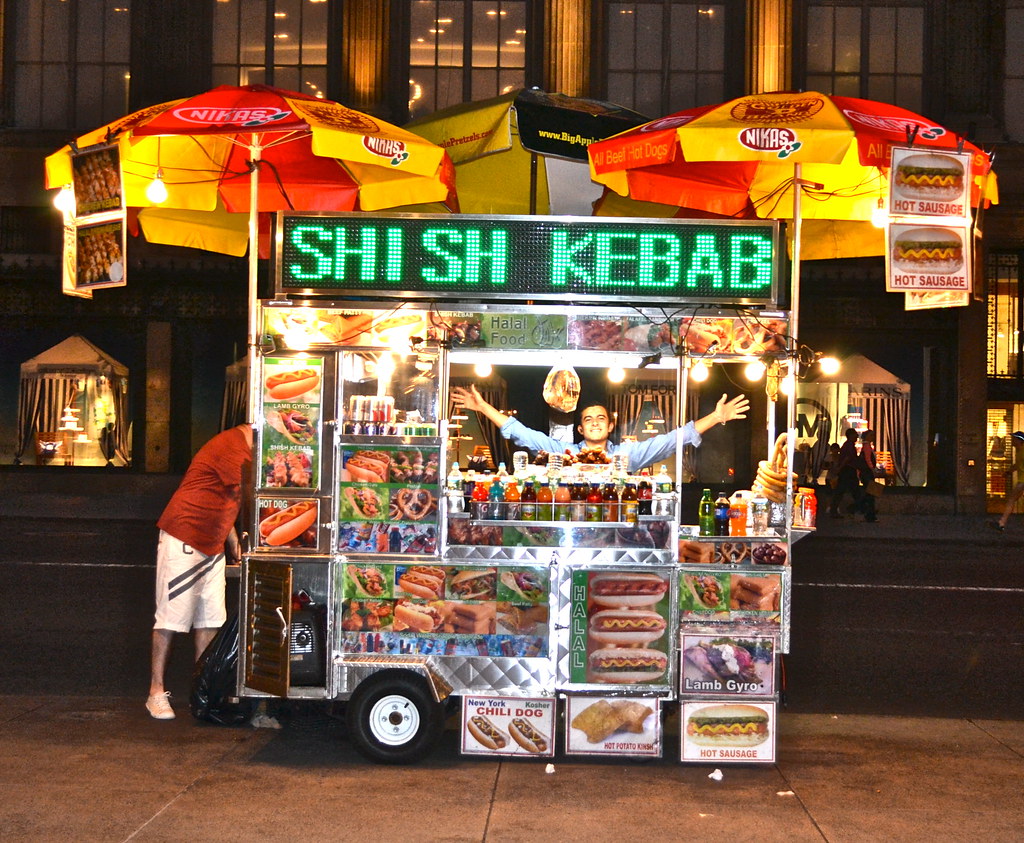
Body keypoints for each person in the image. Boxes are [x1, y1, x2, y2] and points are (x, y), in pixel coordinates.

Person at [147, 424, 253, 720]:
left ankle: (200, 693)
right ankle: (155, 692)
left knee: (209, 620)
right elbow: (250, 491)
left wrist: (232, 541)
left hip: (214, 542)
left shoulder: (246, 447)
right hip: (185, 535)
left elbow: (228, 499)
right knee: (170, 619)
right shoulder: (232, 445)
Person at [451, 385, 749, 473]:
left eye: (600, 418)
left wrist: (715, 417)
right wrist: (483, 408)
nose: (595, 422)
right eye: (589, 419)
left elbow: (672, 440)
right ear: (580, 429)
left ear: (610, 425)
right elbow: (523, 434)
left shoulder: (626, 456)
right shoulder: (565, 454)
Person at [990, 430, 1024, 531]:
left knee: (1011, 499)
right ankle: (1002, 522)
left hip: (1022, 481)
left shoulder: (1022, 451)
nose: (1012, 440)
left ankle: (1002, 523)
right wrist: (1008, 472)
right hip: (1021, 481)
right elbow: (1017, 465)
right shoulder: (1018, 451)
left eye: (1014, 439)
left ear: (1019, 441)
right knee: (1012, 500)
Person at [828, 428, 862, 518]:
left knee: (843, 491)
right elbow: (847, 459)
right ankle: (856, 509)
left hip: (847, 470)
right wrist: (840, 468)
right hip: (848, 471)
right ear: (850, 435)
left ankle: (836, 509)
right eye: (855, 434)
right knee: (851, 491)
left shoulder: (847, 445)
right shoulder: (849, 445)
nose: (857, 436)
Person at [855, 429, 879, 523]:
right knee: (870, 493)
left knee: (869, 492)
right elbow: (868, 459)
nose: (873, 437)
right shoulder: (867, 446)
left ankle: (866, 511)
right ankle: (865, 511)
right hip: (867, 472)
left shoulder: (866, 446)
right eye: (871, 435)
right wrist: (872, 469)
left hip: (866, 472)